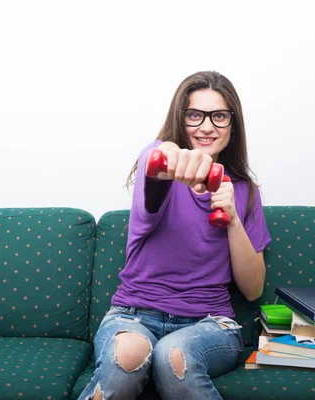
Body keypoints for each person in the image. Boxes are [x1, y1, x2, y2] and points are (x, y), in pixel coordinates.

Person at [78, 71, 272, 400]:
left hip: (210, 324)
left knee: (174, 355)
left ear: (232, 124)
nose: (207, 127)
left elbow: (253, 290)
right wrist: (174, 156)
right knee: (128, 353)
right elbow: (158, 157)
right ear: (179, 120)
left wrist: (234, 219)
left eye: (219, 116)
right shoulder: (160, 167)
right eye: (195, 115)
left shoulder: (245, 191)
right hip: (133, 316)